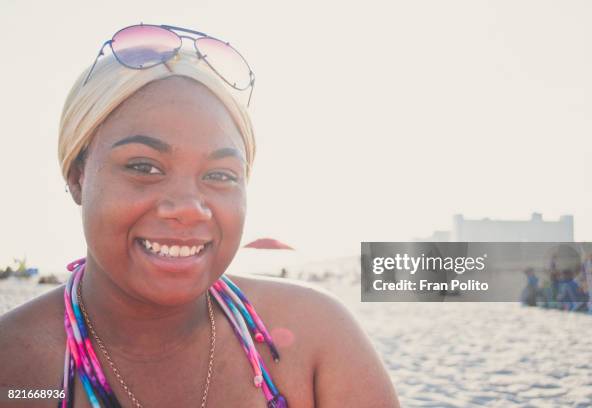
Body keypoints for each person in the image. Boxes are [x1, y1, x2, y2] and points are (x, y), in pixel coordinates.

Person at [0, 24, 399, 407]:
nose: (190, 206)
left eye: (220, 175)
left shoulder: (319, 338)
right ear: (77, 177)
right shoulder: (13, 369)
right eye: (144, 167)